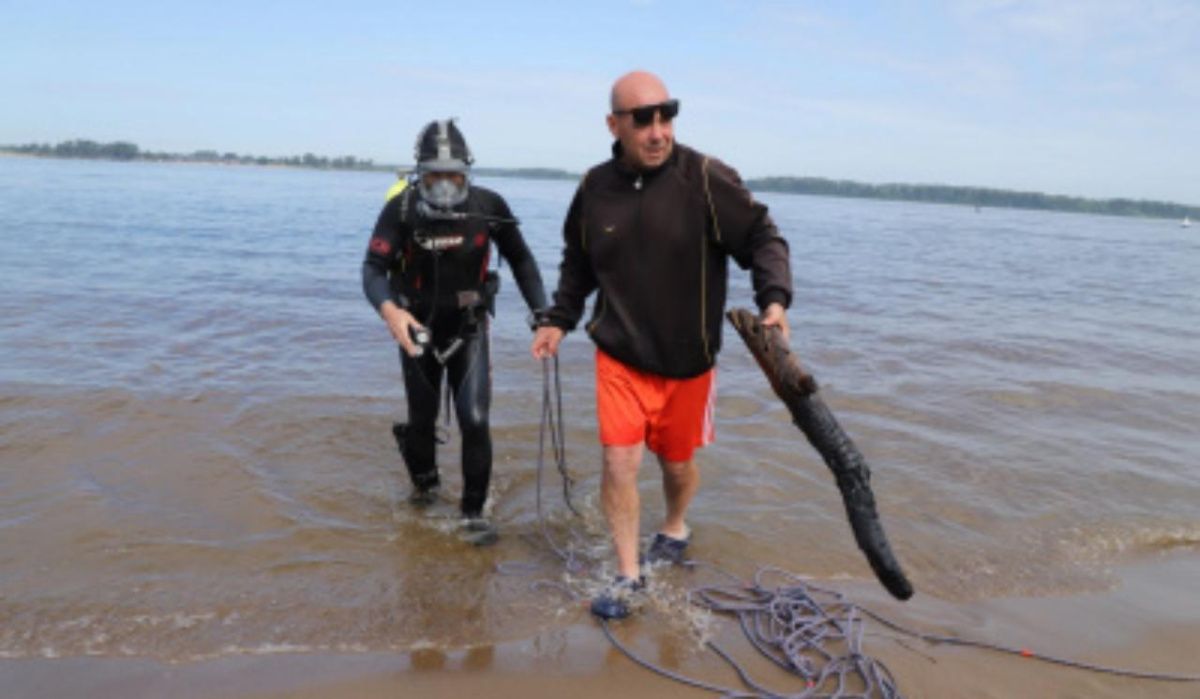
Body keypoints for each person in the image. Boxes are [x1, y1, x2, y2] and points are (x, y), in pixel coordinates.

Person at [530, 71, 793, 618]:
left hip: (688, 362)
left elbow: (763, 236)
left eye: (666, 115)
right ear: (614, 125)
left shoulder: (704, 178)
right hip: (620, 355)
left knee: (676, 468)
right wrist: (558, 319)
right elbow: (578, 265)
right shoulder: (593, 188)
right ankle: (628, 576)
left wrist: (775, 299)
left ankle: (674, 525)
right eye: (643, 119)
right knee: (618, 461)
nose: (658, 131)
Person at [364, 118, 547, 546]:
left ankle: (472, 514)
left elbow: (522, 260)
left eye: (454, 175)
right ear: (418, 173)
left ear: (468, 172)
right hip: (416, 329)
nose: (445, 185)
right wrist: (390, 312)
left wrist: (543, 312)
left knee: (475, 418)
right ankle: (425, 493)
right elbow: (372, 269)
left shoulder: (489, 205)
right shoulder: (402, 209)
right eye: (434, 175)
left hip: (469, 328)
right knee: (422, 422)